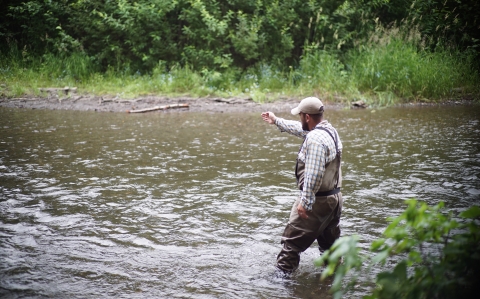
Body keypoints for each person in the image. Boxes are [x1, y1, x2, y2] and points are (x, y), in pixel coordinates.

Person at [261, 96, 343, 274]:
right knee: (330, 250)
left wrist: (304, 203)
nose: (300, 119)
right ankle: (332, 284)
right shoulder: (329, 131)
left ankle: (280, 285)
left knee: (290, 246)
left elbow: (313, 175)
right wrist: (276, 121)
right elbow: (300, 130)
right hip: (334, 201)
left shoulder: (314, 140)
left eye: (300, 116)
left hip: (317, 202)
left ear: (307, 117)